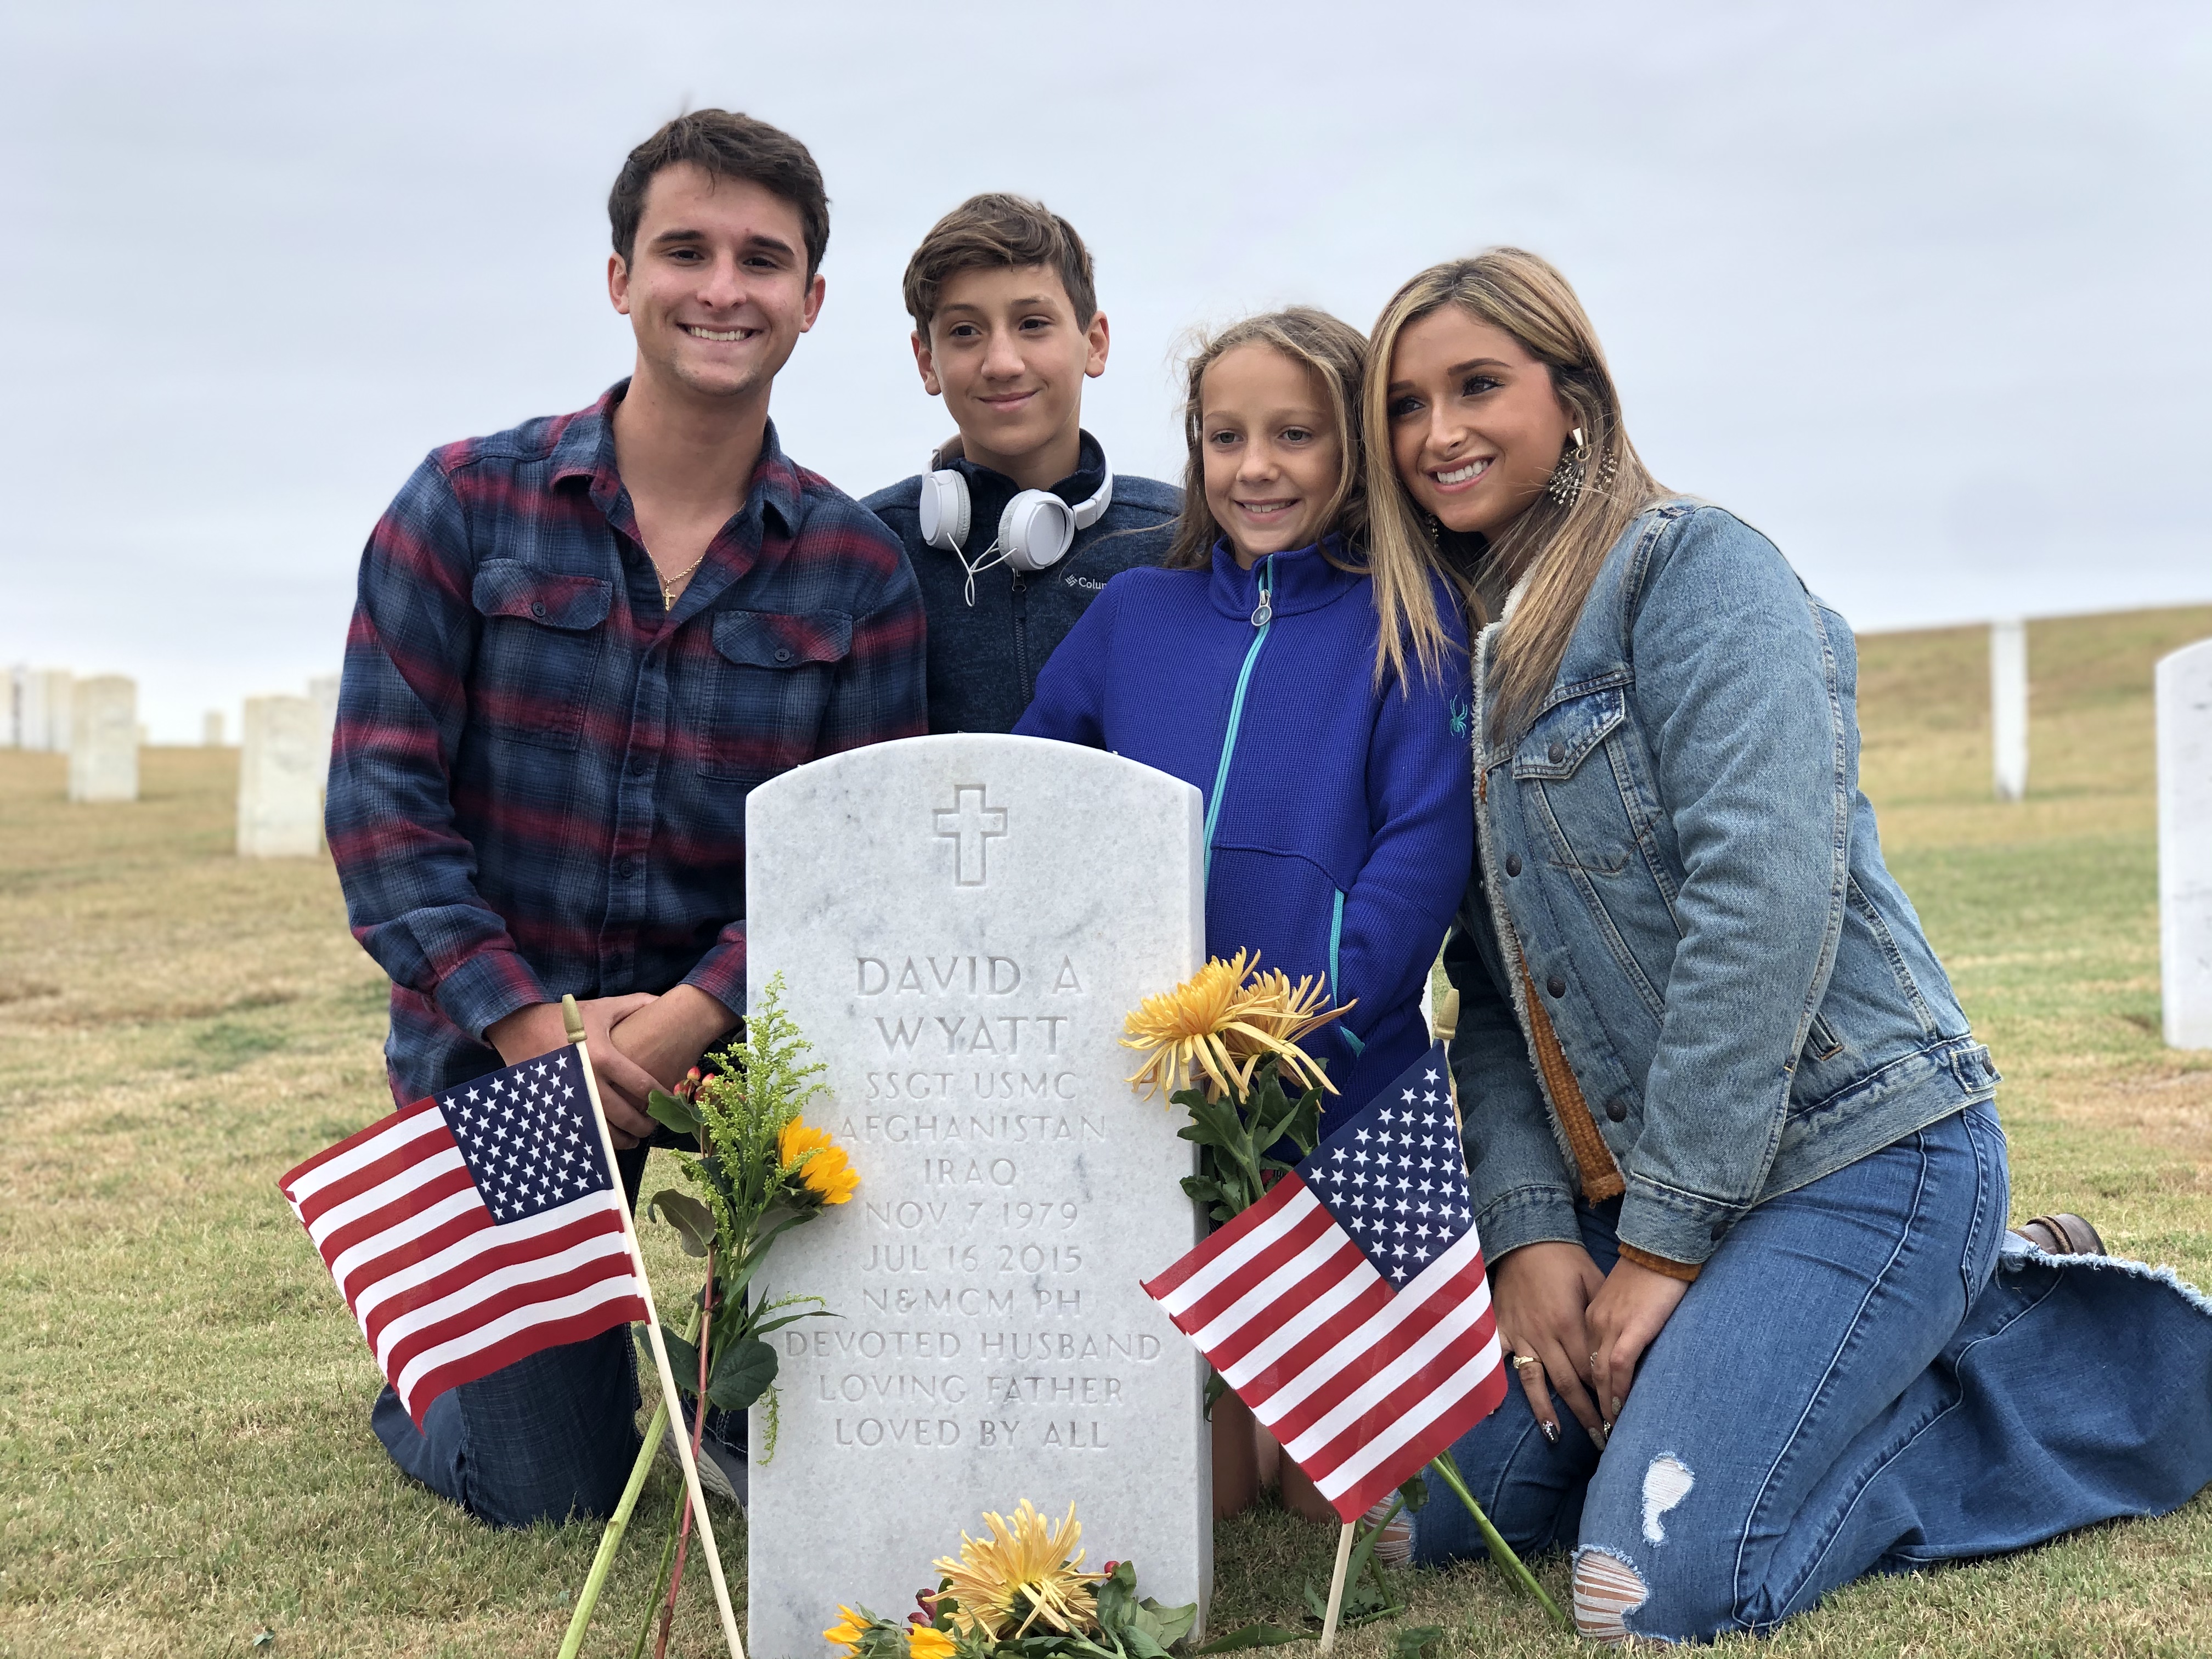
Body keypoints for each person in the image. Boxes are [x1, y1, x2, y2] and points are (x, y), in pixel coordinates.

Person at [1365, 249, 2212, 1641]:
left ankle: (2026, 1342)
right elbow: (1502, 1005)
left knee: (1645, 1585)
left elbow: (1765, 908)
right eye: (1406, 404)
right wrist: (1528, 1238)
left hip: (1853, 1150)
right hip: (1629, 1186)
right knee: (1456, 1523)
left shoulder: (1696, 572)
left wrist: (1664, 1251)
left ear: (1573, 399)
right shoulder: (1466, 663)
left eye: (1477, 387)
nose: (1438, 434)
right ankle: (1819, 1356)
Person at [324, 110, 927, 1527]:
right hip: (504, 1051)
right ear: (619, 278)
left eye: (762, 261)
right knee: (558, 1488)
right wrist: (542, 1035)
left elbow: (852, 872)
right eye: (686, 251)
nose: (724, 288)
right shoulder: (466, 505)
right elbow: (381, 814)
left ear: (811, 304)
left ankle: (680, 1350)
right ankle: (439, 1372)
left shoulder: (856, 569)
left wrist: (684, 1020)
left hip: (738, 1066)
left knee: (816, 1443)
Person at [1015, 308, 1469, 1109]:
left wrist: (1307, 1036)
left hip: (1347, 1095)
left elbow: (1420, 851)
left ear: (1355, 451)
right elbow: (1029, 803)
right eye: (1226, 438)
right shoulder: (1132, 615)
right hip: (1143, 1090)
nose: (1255, 467)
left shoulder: (1410, 616)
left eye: (1294, 435)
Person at [864, 194, 1178, 733]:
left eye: (1033, 324)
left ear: (1095, 343)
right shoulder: (865, 548)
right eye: (965, 332)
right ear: (926, 361)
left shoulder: (1183, 539)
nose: (1002, 364)